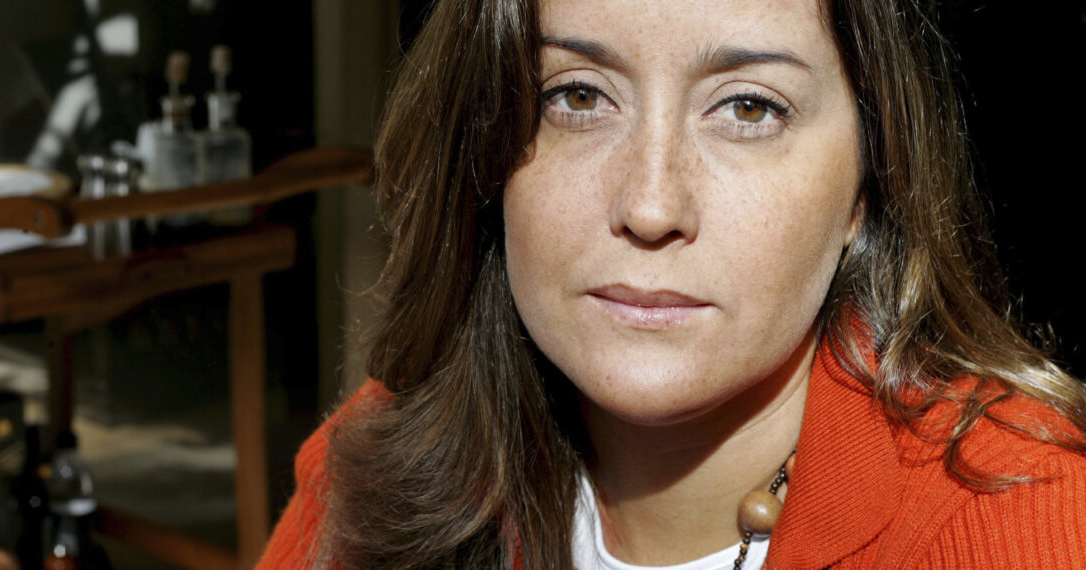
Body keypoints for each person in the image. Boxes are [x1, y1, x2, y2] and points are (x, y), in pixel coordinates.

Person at [258, 0, 1086, 568]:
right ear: (485, 154)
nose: (651, 205)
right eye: (577, 96)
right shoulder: (372, 465)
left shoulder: (1022, 519)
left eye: (749, 109)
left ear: (868, 187)